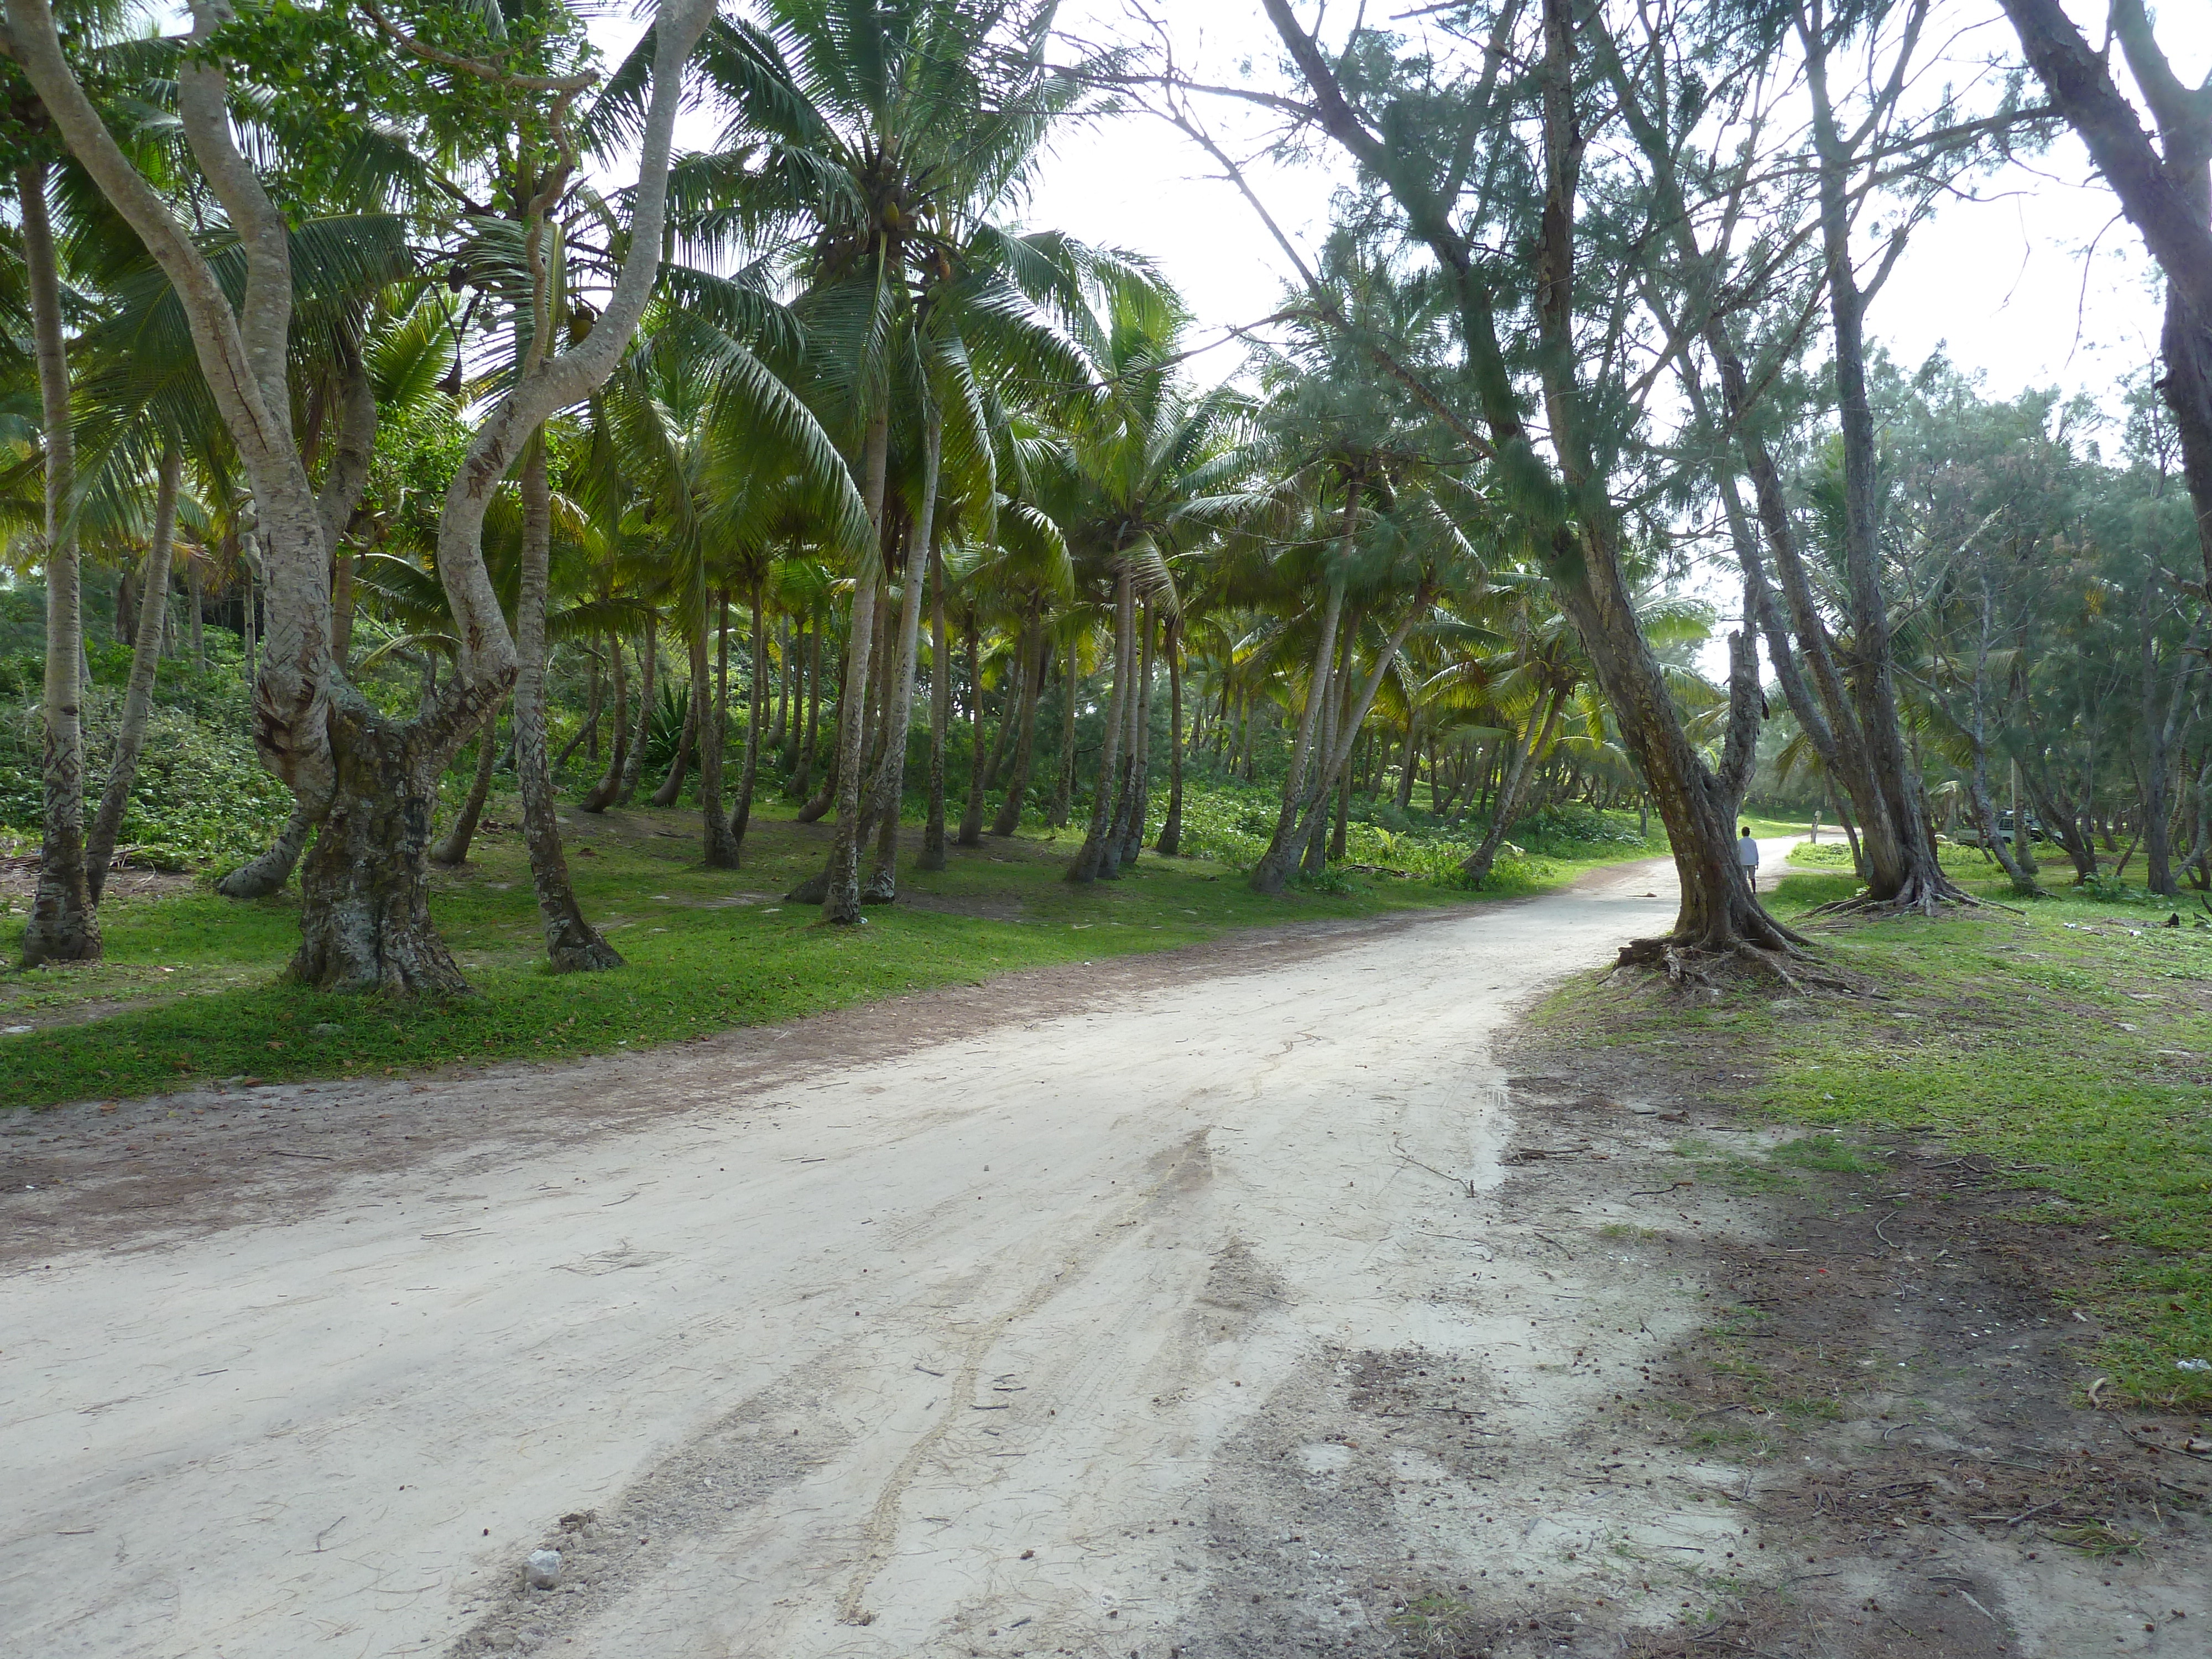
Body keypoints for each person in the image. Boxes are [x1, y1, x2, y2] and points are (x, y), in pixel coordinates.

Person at [1736, 825, 1761, 891]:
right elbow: (1756, 852)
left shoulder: (1740, 842)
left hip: (1743, 861)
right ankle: (1754, 891)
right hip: (1752, 861)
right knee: (1752, 877)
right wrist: (1757, 862)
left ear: (1742, 833)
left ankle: (1744, 890)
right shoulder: (1753, 842)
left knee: (1744, 877)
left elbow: (1738, 852)